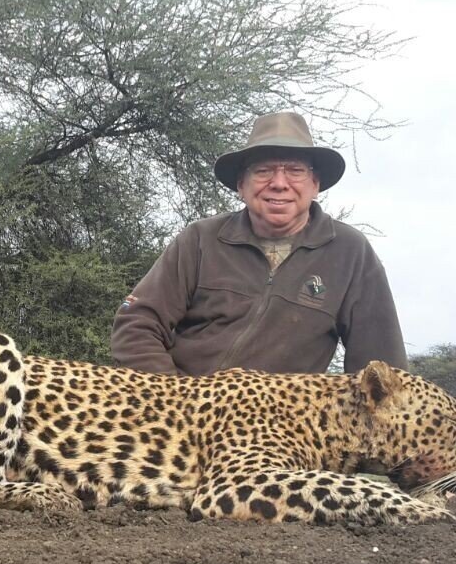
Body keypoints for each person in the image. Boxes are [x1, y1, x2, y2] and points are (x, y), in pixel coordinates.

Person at [111, 111, 407, 375]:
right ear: (242, 184)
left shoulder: (350, 252)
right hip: (183, 410)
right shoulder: (200, 239)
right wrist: (177, 402)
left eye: (294, 170)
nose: (279, 183)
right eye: (263, 170)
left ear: (315, 184)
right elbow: (136, 323)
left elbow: (382, 370)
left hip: (281, 428)